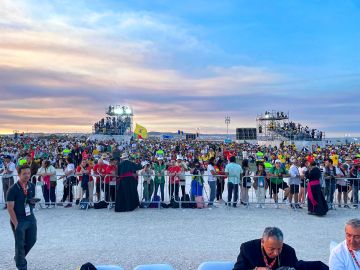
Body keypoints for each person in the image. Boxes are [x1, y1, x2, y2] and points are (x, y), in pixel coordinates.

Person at [7, 165, 37, 270]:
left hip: (30, 217)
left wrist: (32, 202)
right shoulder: (13, 189)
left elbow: (31, 200)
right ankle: (22, 265)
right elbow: (10, 208)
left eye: (29, 173)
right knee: (20, 244)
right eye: (24, 173)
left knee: (32, 240)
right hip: (18, 219)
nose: (27, 175)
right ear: (19, 174)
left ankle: (19, 258)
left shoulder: (32, 186)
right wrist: (16, 224)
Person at [233, 227, 298, 269]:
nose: (276, 253)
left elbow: (297, 267)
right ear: (262, 241)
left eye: (279, 248)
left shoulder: (289, 251)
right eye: (271, 249)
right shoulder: (248, 248)